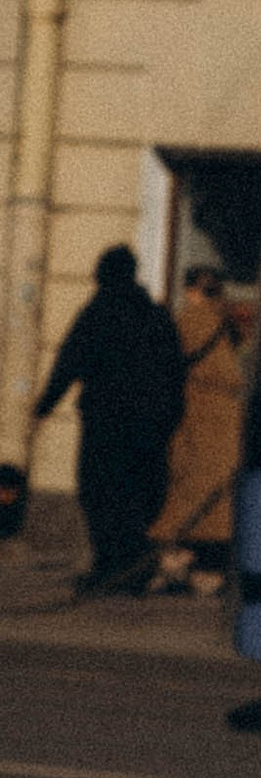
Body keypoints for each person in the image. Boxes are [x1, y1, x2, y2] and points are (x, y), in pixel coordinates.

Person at [32, 244, 187, 594]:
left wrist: (44, 406)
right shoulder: (156, 316)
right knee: (138, 494)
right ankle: (130, 566)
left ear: (103, 275)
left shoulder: (98, 312)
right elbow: (176, 372)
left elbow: (69, 361)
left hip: (106, 424)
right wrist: (170, 419)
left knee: (99, 493)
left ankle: (112, 566)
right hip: (149, 427)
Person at [148, 266, 247, 593]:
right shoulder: (224, 324)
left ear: (191, 290)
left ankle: (178, 560)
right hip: (227, 419)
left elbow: (163, 362)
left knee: (186, 488)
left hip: (198, 414)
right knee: (216, 494)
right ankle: (210, 567)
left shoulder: (187, 321)